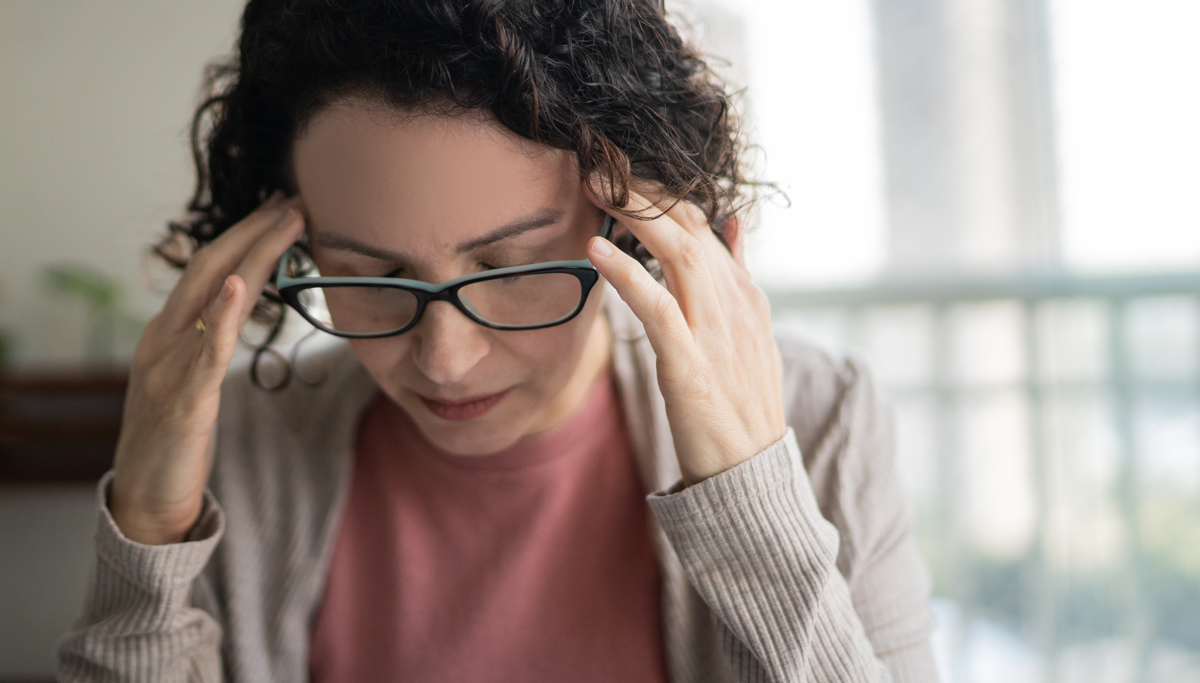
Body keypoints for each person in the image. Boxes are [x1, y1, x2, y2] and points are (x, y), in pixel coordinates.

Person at [59, 0, 937, 681]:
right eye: (372, 273)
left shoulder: (821, 423)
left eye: (509, 266)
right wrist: (149, 534)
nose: (444, 358)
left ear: (634, 226)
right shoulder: (241, 443)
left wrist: (750, 507)